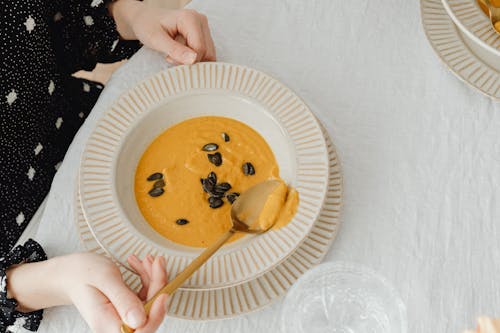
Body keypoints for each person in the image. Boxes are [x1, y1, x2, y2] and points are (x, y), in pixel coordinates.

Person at [0, 0, 216, 332]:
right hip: (33, 268)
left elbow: (52, 25)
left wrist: (129, 16)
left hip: (91, 128)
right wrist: (51, 281)